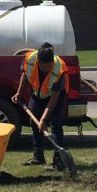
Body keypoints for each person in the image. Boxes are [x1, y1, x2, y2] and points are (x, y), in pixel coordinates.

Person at [12, 42, 68, 170]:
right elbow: (25, 74)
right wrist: (19, 92)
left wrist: (43, 120)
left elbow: (53, 100)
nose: (46, 68)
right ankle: (38, 156)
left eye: (49, 65)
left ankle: (58, 161)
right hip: (37, 94)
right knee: (34, 122)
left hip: (55, 97)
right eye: (43, 65)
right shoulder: (30, 59)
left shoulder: (59, 69)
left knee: (55, 125)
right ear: (38, 60)